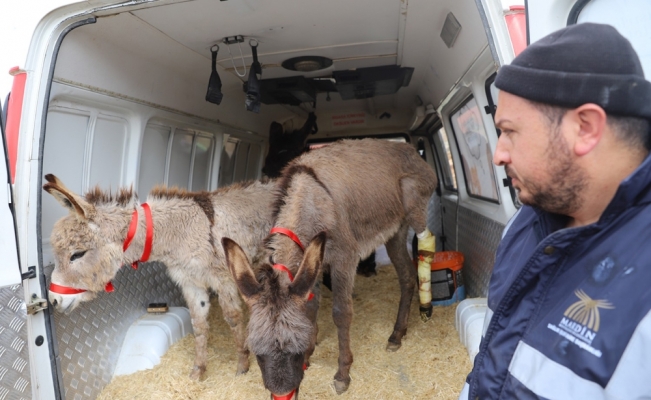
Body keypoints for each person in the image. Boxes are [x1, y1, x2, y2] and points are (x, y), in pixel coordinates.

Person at [459, 23, 651, 399]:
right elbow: (490, 365)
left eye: (510, 131)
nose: (498, 154)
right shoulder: (525, 223)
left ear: (585, 128)